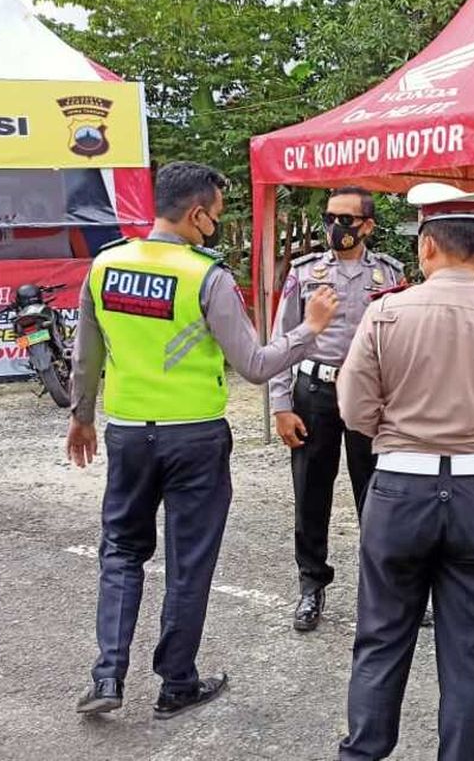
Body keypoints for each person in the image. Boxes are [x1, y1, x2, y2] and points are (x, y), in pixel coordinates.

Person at [65, 161, 339, 720]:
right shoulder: (206, 278)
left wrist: (82, 417)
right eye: (215, 214)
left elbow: (86, 355)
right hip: (194, 439)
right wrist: (310, 328)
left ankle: (107, 675)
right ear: (197, 215)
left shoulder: (106, 266)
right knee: (188, 563)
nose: (215, 223)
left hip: (128, 435)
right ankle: (176, 683)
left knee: (120, 552)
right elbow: (257, 366)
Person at [335, 182, 474, 761]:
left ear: (426, 247)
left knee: (381, 636)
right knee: (469, 654)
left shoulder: (385, 314)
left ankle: (362, 753)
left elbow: (354, 410)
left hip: (400, 486)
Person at [269, 186, 405, 632]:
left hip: (369, 395)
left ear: (367, 225)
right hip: (315, 392)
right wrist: (281, 404)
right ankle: (311, 585)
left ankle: (384, 591)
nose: (335, 227)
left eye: (345, 219)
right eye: (330, 217)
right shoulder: (305, 271)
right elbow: (281, 338)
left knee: (379, 495)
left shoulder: (391, 274)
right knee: (311, 492)